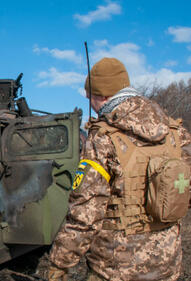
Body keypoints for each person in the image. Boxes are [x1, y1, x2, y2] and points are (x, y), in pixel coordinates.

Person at [47, 57, 191, 281]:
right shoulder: (174, 132)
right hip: (167, 262)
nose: (91, 105)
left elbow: (85, 213)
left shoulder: (103, 138)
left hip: (115, 267)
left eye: (90, 98)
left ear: (102, 96)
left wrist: (59, 262)